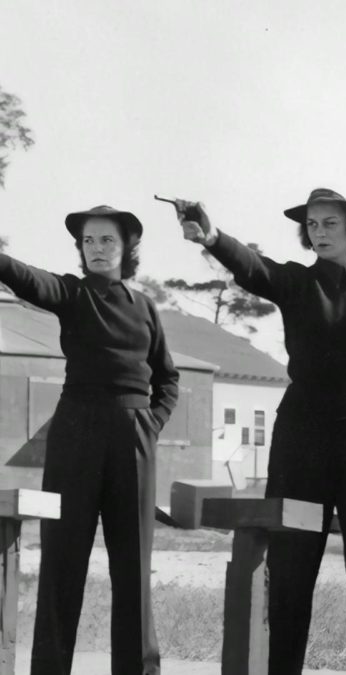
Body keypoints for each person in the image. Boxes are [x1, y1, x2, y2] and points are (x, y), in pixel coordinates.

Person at [177, 190, 346, 674]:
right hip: (302, 439)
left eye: (329, 223)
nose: (319, 232)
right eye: (312, 225)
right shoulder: (296, 282)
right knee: (290, 571)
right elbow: (252, 267)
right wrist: (213, 235)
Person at [0, 205, 179, 674]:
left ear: (127, 248)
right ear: (80, 249)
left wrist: (149, 424)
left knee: (133, 565)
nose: (97, 249)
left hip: (133, 437)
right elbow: (28, 278)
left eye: (107, 240)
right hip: (76, 431)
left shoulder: (145, 307)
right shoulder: (72, 293)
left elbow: (169, 379)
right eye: (88, 241)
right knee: (63, 560)